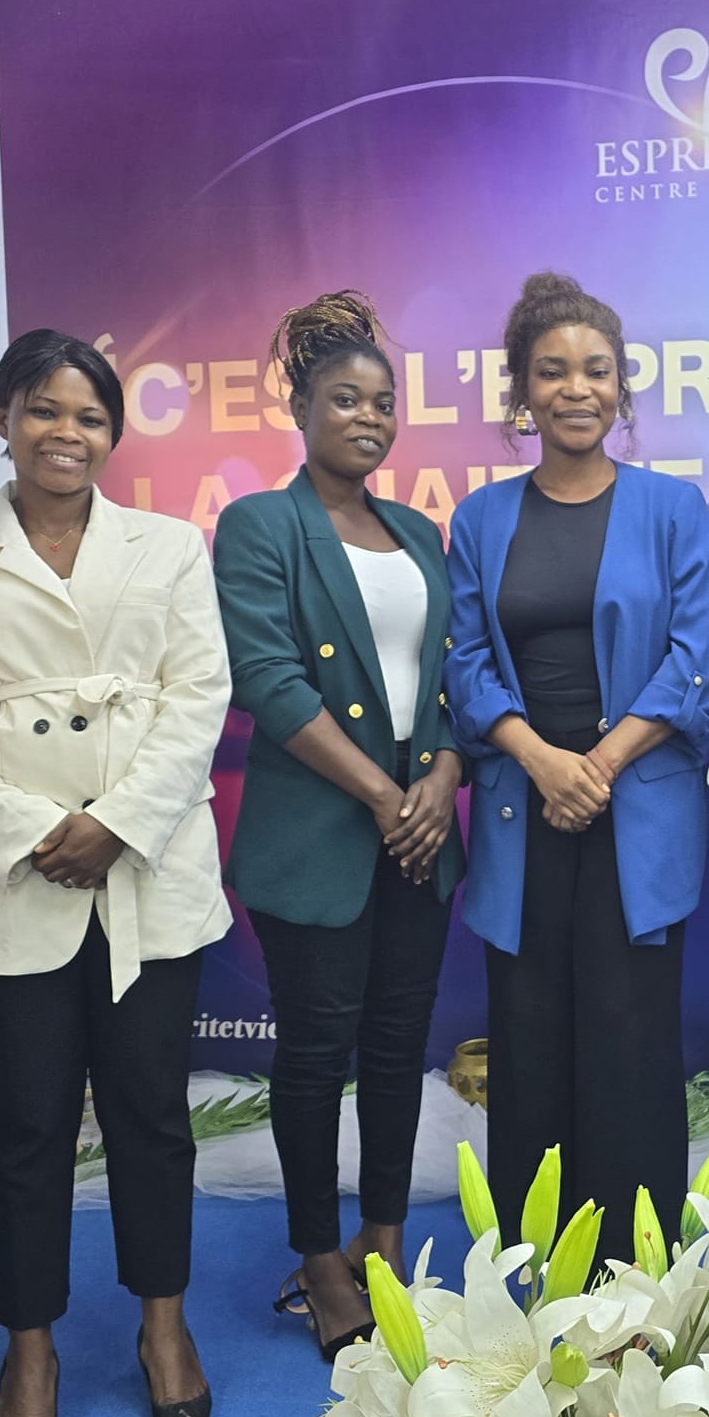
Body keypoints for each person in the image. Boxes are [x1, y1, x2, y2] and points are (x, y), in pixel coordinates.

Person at [0, 330, 230, 1417]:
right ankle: (30, 1347)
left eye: (89, 416)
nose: (66, 432)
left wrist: (118, 824)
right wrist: (28, 832)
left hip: (146, 870)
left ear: (112, 435)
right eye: (43, 409)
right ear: (3, 418)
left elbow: (200, 696)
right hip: (11, 877)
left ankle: (163, 1326)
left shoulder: (169, 546)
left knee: (151, 1117)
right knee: (25, 1127)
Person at [445, 272, 709, 1265]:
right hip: (523, 807)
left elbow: (699, 656)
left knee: (630, 1040)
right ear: (521, 392)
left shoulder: (671, 507)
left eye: (596, 370)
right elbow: (463, 662)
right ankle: (539, 1274)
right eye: (552, 371)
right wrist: (540, 761)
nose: (576, 388)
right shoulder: (480, 517)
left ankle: (638, 1278)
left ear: (622, 387)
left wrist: (595, 767)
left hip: (633, 803)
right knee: (528, 1042)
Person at [213, 291, 463, 1361]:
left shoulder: (418, 532)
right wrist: (382, 796)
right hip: (319, 839)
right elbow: (267, 681)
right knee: (315, 1056)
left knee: (400, 1050)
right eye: (345, 399)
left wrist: (442, 775)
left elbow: (454, 676)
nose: (368, 417)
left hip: (420, 836)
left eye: (382, 402)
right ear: (301, 409)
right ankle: (319, 1261)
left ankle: (383, 1242)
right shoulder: (260, 525)